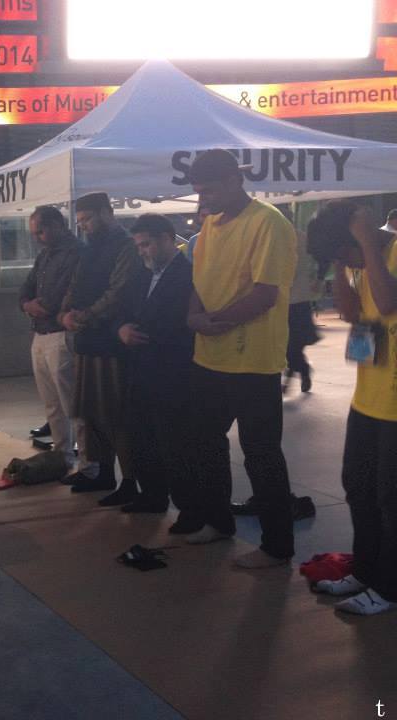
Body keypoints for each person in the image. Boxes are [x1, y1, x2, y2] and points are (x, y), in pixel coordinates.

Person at [184, 149, 298, 569]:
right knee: (204, 443)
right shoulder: (210, 223)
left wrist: (215, 321)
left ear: (235, 180)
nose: (203, 199)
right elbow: (197, 279)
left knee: (261, 453)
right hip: (209, 358)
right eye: (198, 192)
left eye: (209, 190)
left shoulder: (269, 223)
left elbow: (265, 294)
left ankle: (277, 546)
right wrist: (194, 314)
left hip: (253, 361)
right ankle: (218, 523)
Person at [306, 200, 397, 615]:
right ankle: (366, 570)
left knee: (391, 499)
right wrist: (342, 263)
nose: (345, 262)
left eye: (346, 253)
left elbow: (388, 302)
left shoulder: (384, 255)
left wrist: (363, 240)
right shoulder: (360, 262)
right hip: (368, 398)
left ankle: (391, 588)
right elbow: (351, 313)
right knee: (358, 488)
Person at [58, 191, 140, 503]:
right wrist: (66, 312)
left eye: (88, 219)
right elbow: (75, 284)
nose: (85, 227)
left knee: (115, 413)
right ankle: (103, 472)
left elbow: (120, 290)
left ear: (107, 212)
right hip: (87, 338)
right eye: (80, 222)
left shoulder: (127, 246)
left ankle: (130, 480)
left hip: (112, 340)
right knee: (91, 412)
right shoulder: (89, 248)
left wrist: (86, 314)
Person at [113, 214, 196, 519]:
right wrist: (121, 329)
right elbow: (121, 310)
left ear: (166, 239)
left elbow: (181, 323)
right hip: (140, 369)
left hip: (173, 371)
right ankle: (152, 495)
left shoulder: (187, 275)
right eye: (138, 246)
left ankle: (189, 509)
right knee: (143, 437)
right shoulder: (141, 275)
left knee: (175, 444)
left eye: (146, 244)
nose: (143, 252)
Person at [20, 206, 83, 468]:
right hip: (41, 332)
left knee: (72, 403)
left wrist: (37, 305)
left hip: (60, 334)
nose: (38, 237)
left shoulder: (76, 252)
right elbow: (26, 287)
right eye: (34, 233)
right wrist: (27, 303)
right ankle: (62, 455)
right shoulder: (45, 255)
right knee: (52, 404)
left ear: (58, 224)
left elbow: (62, 292)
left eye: (41, 231)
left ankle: (88, 462)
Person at [283, 207, 323, 394]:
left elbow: (321, 257)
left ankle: (298, 372)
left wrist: (318, 279)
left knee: (291, 345)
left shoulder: (299, 238)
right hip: (290, 300)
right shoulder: (302, 237)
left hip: (295, 300)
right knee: (289, 345)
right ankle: (298, 371)